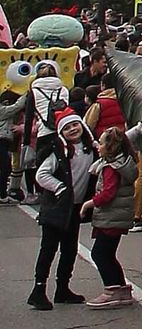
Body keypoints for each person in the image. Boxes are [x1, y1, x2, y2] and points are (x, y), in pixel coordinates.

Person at [27, 109, 97, 309]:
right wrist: (60, 188)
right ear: (61, 133)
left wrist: (139, 128)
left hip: (75, 208)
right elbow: (41, 175)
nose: (72, 129)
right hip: (56, 208)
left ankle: (63, 289)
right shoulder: (58, 151)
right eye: (67, 128)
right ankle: (38, 290)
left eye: (75, 124)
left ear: (82, 125)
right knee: (48, 249)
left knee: (69, 249)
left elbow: (117, 142)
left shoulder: (90, 147)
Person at [85, 122, 142, 304]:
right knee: (108, 253)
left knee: (100, 254)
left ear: (110, 147)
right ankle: (121, 288)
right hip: (117, 216)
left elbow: (108, 193)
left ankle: (112, 290)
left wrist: (89, 204)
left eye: (101, 143)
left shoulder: (111, 168)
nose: (98, 145)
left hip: (111, 216)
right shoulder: (123, 162)